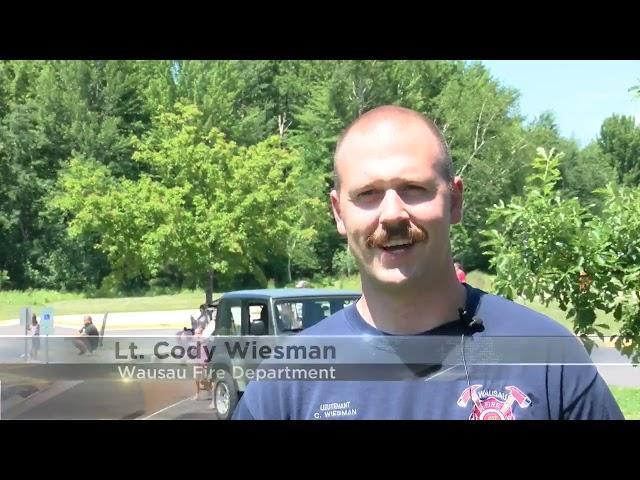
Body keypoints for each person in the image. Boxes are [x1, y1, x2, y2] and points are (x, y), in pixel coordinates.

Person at [232, 105, 623, 420]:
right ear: (338, 213)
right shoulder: (287, 380)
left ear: (454, 200)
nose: (391, 215)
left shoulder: (547, 357)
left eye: (413, 189)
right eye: (367, 193)